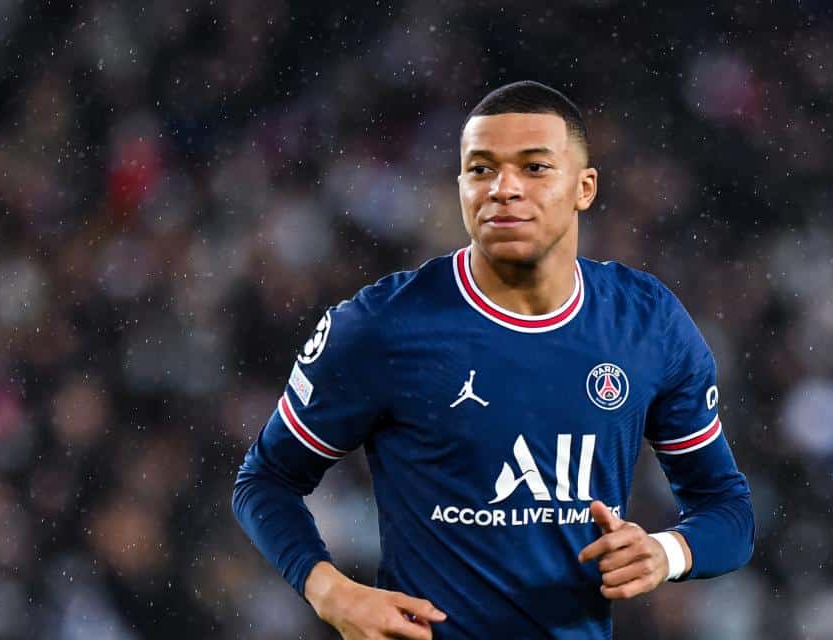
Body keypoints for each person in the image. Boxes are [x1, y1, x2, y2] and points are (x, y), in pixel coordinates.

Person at [232, 80, 754, 639]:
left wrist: (667, 552)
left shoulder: (647, 323)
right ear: (460, 185)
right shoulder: (381, 327)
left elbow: (727, 509)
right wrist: (333, 593)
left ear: (584, 188)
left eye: (534, 168)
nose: (504, 189)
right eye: (481, 169)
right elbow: (265, 480)